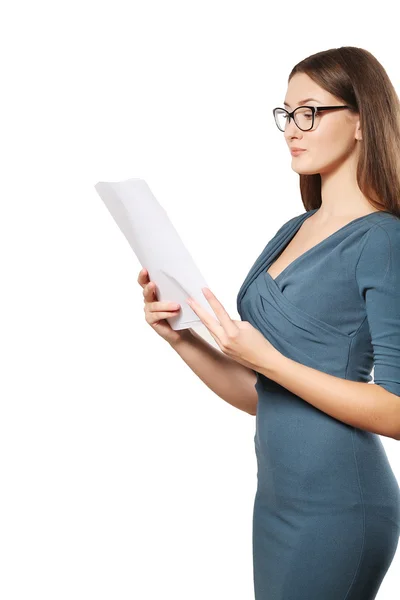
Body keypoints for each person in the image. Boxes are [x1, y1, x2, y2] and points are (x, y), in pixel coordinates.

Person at [139, 46, 400, 599]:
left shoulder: (384, 239)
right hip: (279, 499)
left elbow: (397, 412)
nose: (291, 129)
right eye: (286, 114)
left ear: (360, 121)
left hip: (340, 504)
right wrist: (181, 339)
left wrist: (268, 360)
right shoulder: (292, 230)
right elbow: (265, 393)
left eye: (309, 112)